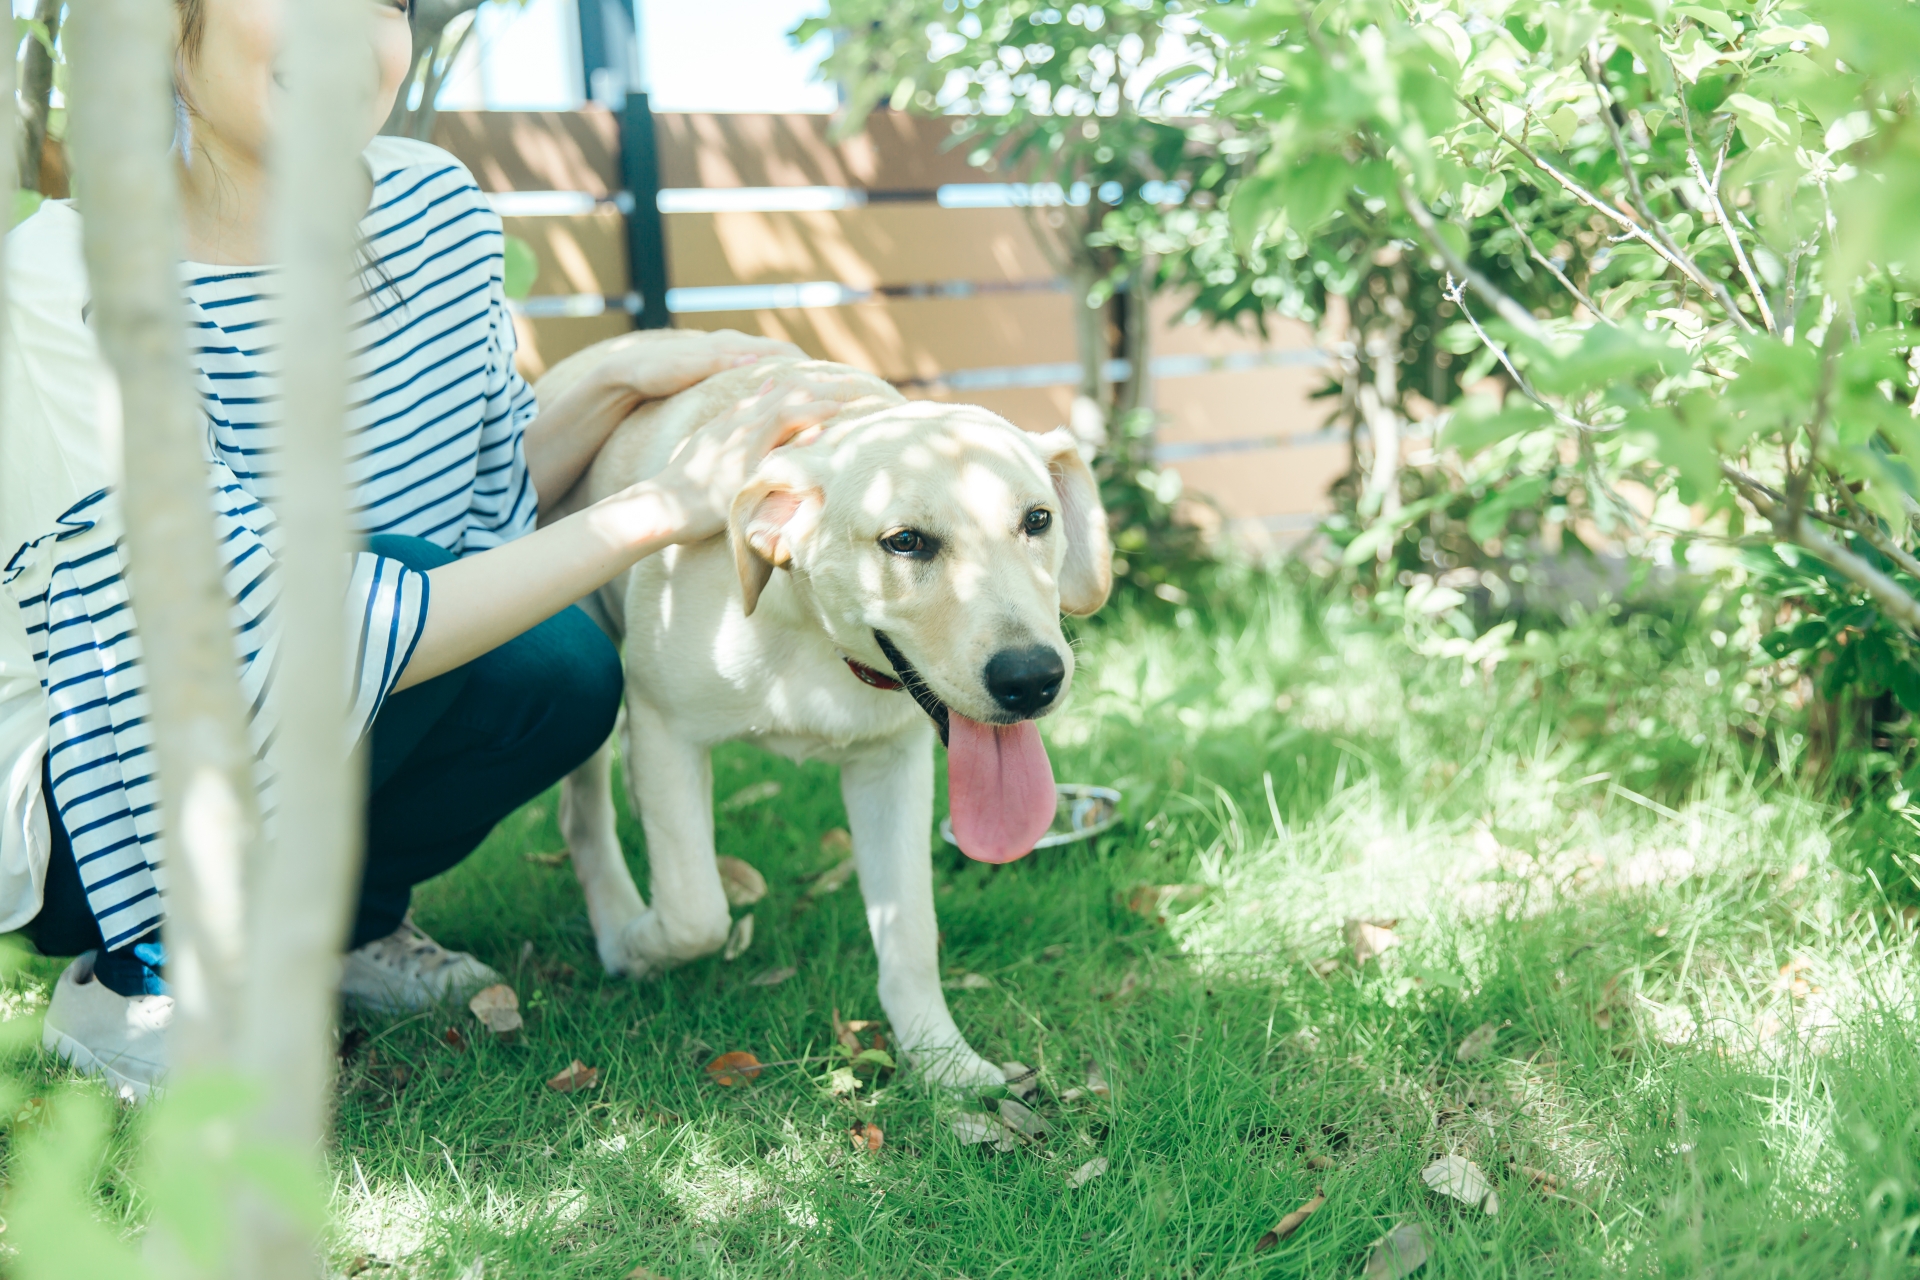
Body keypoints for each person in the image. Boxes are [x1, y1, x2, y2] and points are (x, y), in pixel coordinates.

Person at [0, 0, 858, 1100]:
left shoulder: (432, 206)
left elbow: (474, 515)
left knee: (555, 670)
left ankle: (342, 930)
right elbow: (278, 621)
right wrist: (660, 507)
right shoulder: (68, 272)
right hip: (104, 776)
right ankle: (137, 969)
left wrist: (608, 382)